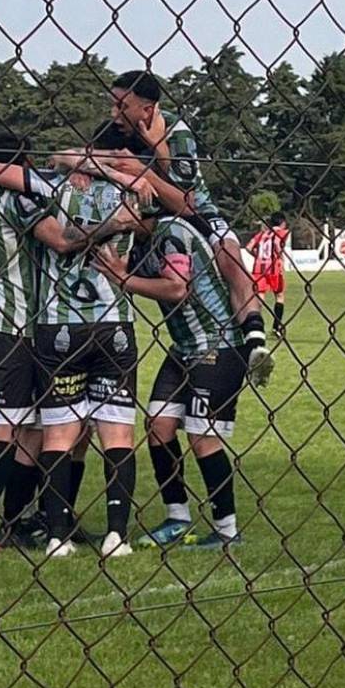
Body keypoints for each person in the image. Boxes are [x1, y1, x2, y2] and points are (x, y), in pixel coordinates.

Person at [0, 137, 145, 560]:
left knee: (57, 431)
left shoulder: (48, 187)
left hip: (59, 324)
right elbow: (150, 223)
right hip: (114, 321)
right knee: (117, 431)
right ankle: (117, 535)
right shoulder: (131, 190)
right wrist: (122, 178)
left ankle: (56, 535)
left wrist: (74, 161)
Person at [0, 133, 107, 556]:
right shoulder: (17, 200)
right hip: (10, 324)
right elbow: (61, 239)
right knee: (11, 427)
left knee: (20, 424)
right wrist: (111, 226)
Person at [104, 70, 273, 386]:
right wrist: (82, 169)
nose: (114, 114)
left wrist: (149, 165)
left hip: (196, 212)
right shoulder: (115, 130)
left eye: (121, 105)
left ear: (147, 109)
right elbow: (86, 155)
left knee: (229, 254)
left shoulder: (177, 130)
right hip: (151, 218)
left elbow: (187, 201)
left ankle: (254, 340)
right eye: (111, 105)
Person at [92, 210, 246, 549]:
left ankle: (228, 529)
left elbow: (178, 288)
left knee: (202, 436)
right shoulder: (139, 240)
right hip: (185, 347)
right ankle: (177, 517)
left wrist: (124, 279)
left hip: (217, 343)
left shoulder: (172, 232)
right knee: (158, 427)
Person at [246, 212, 289, 337]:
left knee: (259, 299)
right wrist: (280, 258)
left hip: (259, 268)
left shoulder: (262, 234)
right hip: (274, 268)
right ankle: (276, 327)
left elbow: (248, 247)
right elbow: (277, 246)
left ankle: (256, 326)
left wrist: (258, 256)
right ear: (283, 222)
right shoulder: (281, 232)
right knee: (279, 296)